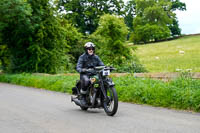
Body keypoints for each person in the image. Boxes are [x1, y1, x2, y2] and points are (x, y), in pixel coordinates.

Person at [76, 42, 104, 106]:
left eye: (92, 48)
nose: (91, 50)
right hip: (85, 74)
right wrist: (82, 70)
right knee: (87, 81)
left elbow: (101, 65)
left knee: (102, 80)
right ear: (86, 49)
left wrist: (105, 68)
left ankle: (101, 97)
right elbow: (78, 67)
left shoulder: (96, 57)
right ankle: (83, 97)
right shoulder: (82, 57)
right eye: (89, 49)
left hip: (94, 74)